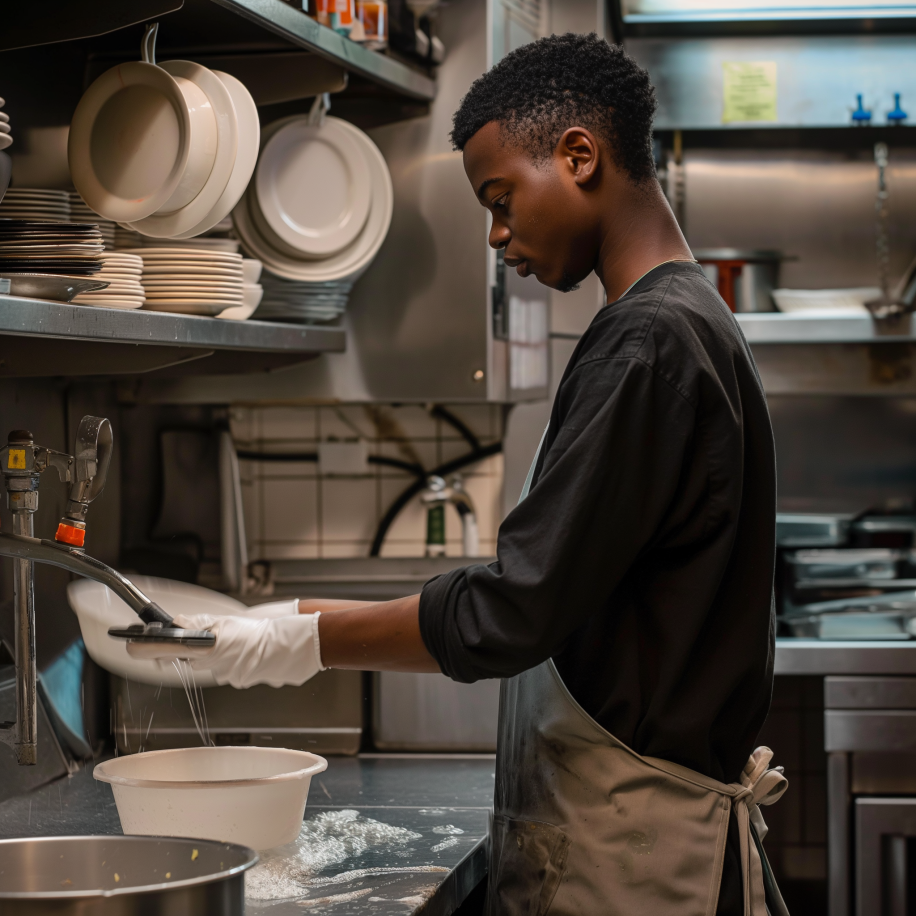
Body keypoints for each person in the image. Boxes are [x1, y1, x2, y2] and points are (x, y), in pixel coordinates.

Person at [135, 33, 788, 915]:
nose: (497, 235)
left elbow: (511, 612)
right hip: (643, 832)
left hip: (634, 858)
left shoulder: (648, 342)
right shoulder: (690, 316)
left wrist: (292, 638)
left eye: (501, 197)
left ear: (580, 155)